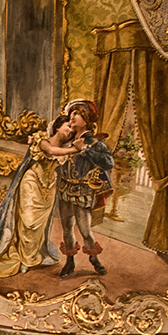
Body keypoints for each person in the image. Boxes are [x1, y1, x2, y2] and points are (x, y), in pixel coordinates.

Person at [0, 104, 88, 278]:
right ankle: (19, 255)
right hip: (31, 182)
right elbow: (50, 151)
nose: (70, 131)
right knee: (28, 221)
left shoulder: (66, 149)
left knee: (39, 226)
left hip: (48, 188)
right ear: (57, 126)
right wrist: (76, 149)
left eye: (72, 128)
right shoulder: (42, 139)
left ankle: (29, 259)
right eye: (68, 126)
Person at [53, 101, 112, 277]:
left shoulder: (94, 143)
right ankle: (70, 263)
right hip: (65, 188)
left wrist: (85, 149)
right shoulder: (66, 140)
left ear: (85, 120)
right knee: (67, 228)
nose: (72, 116)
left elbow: (109, 163)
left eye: (76, 114)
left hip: (83, 191)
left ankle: (94, 259)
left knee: (85, 230)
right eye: (71, 113)